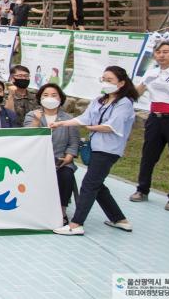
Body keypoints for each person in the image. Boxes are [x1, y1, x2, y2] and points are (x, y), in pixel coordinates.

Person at [51, 66, 137, 235]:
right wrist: (61, 123)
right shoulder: (99, 100)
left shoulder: (124, 103)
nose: (105, 82)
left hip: (109, 150)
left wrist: (91, 128)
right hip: (96, 148)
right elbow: (84, 118)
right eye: (103, 79)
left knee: (89, 185)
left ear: (121, 83)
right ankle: (119, 219)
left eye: (110, 80)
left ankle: (76, 224)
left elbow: (112, 126)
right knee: (97, 184)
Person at [130, 37, 169, 212]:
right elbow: (137, 93)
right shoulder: (152, 72)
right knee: (148, 156)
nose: (161, 56)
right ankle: (142, 189)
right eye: (158, 52)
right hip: (155, 118)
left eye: (165, 52)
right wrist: (141, 85)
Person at [24, 83, 80, 225]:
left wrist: (68, 157)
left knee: (66, 175)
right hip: (37, 160)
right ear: (40, 98)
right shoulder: (32, 115)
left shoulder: (68, 118)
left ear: (60, 98)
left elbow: (74, 143)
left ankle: (62, 211)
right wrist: (37, 121)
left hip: (61, 161)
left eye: (54, 95)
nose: (50, 98)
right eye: (46, 95)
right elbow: (28, 137)